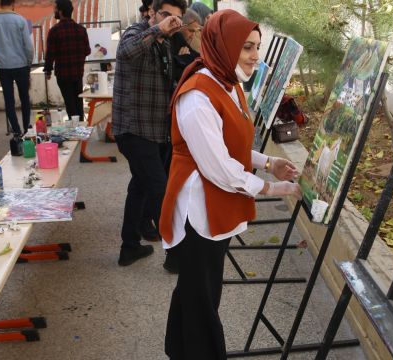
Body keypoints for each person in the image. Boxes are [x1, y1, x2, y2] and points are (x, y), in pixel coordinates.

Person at [160, 10, 301, 359]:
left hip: (214, 205)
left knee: (197, 291)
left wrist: (268, 162)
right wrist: (270, 188)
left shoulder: (228, 82)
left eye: (257, 47)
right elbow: (218, 167)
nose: (256, 55)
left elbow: (231, 145)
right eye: (247, 47)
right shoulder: (197, 96)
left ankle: (178, 349)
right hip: (199, 209)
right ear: (224, 47)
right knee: (202, 297)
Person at [111, 0, 186, 267]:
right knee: (158, 189)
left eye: (176, 18)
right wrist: (159, 29)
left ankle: (129, 246)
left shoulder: (168, 41)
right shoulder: (136, 32)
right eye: (165, 15)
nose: (170, 22)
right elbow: (126, 52)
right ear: (151, 13)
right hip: (133, 129)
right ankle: (176, 256)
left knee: (140, 186)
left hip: (154, 130)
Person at [0, 0, 34, 135]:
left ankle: (16, 131)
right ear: (13, 3)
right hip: (21, 64)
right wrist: (29, 62)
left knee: (8, 99)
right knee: (24, 97)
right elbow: (28, 47)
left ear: (0, 3)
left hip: (2, 67)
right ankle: (26, 128)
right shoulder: (20, 20)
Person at [44, 0, 90, 121]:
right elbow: (87, 51)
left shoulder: (54, 31)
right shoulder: (81, 30)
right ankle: (81, 128)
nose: (54, 11)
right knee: (78, 103)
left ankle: (76, 131)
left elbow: (50, 54)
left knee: (70, 104)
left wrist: (48, 70)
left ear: (60, 11)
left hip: (63, 75)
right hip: (78, 73)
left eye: (55, 9)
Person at [170, 8, 201, 84]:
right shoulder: (175, 37)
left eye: (195, 32)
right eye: (191, 31)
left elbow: (198, 60)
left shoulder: (180, 39)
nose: (192, 35)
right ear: (181, 25)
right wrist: (181, 60)